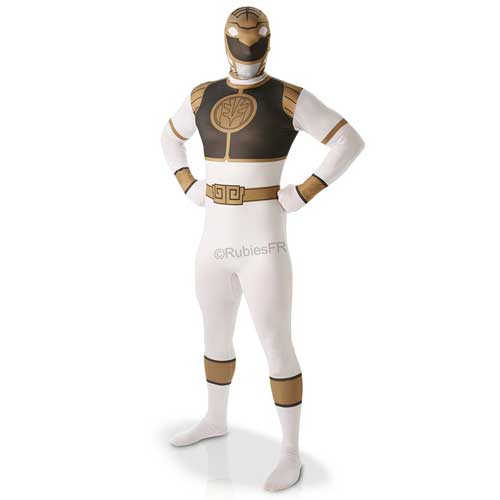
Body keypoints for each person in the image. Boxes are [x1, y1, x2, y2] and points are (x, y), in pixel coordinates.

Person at [161, 6, 364, 492]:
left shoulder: (289, 97)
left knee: (276, 344)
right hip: (213, 240)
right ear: (228, 42)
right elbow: (169, 138)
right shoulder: (202, 95)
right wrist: (187, 182)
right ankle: (215, 418)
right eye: (241, 41)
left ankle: (290, 450)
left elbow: (348, 141)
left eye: (255, 41)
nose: (248, 50)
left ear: (266, 42)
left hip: (263, 244)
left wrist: (305, 191)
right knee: (214, 335)